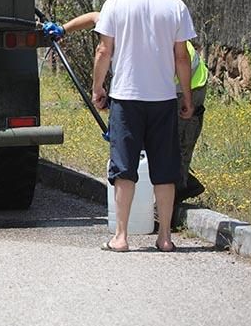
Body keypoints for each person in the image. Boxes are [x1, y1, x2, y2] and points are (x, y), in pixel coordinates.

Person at [90, 0, 195, 253]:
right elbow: (182, 56)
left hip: (126, 98)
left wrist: (98, 87)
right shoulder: (174, 5)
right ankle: (164, 237)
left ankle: (121, 236)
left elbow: (103, 51)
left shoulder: (116, 2)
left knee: (124, 167)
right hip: (162, 97)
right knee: (165, 167)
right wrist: (186, 96)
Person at [62, 11, 209, 203]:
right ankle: (168, 192)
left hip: (188, 85)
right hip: (161, 85)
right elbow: (94, 17)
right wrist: (62, 29)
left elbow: (145, 93)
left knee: (174, 145)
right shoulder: (119, 22)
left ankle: (170, 201)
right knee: (148, 142)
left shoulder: (147, 44)